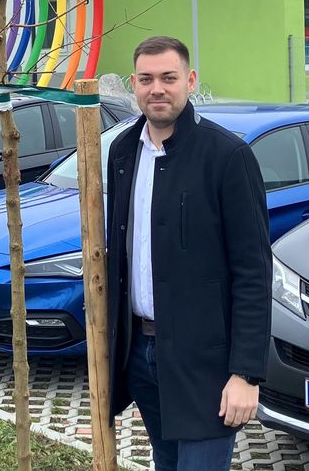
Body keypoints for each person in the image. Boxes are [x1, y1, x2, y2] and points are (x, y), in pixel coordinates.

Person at [106, 36, 271, 471]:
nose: (156, 89)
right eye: (146, 79)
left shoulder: (227, 156)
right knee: (166, 463)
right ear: (133, 84)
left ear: (190, 81)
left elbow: (253, 272)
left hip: (206, 365)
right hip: (140, 356)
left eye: (168, 78)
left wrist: (246, 374)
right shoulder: (123, 152)